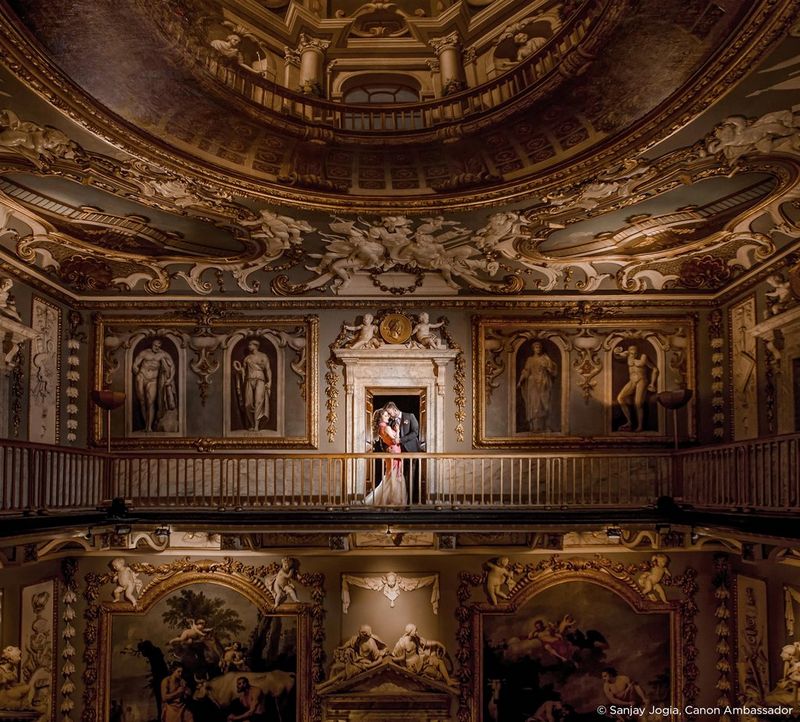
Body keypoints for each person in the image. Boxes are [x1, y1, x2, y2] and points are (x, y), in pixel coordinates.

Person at [132, 338, 177, 433]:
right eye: (155, 346)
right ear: (152, 345)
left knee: (150, 402)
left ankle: (149, 427)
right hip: (142, 377)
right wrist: (137, 372)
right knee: (142, 401)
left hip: (153, 380)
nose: (156, 348)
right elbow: (135, 364)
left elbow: (172, 366)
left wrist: (170, 379)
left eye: (158, 347)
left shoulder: (163, 354)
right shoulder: (144, 353)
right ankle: (145, 424)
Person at [364, 408, 406, 506]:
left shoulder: (380, 428)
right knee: (394, 476)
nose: (388, 417)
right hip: (394, 452)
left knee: (391, 475)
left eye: (388, 415)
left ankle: (391, 500)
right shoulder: (386, 427)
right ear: (380, 418)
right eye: (386, 415)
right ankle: (393, 500)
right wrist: (398, 430)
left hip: (392, 452)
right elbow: (395, 441)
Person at [384, 401, 422, 501]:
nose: (389, 415)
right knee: (401, 477)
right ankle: (402, 500)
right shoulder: (391, 422)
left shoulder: (410, 416)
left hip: (411, 451)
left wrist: (401, 440)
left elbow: (415, 432)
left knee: (411, 476)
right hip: (398, 454)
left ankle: (411, 501)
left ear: (395, 410)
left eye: (390, 412)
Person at [615, 345, 659, 432]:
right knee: (620, 398)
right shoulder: (627, 355)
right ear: (629, 352)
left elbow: (655, 369)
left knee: (638, 403)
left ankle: (640, 426)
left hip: (642, 380)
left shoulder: (643, 357)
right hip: (632, 381)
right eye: (631, 353)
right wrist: (617, 351)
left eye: (635, 353)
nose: (633, 355)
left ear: (637, 352)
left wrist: (652, 383)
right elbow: (616, 356)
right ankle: (629, 422)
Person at [517, 341, 557, 433]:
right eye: (536, 347)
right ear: (533, 349)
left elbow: (553, 371)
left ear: (541, 349)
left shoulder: (545, 358)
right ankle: (534, 427)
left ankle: (544, 426)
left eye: (539, 347)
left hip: (544, 383)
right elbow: (526, 371)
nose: (538, 349)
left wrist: (547, 367)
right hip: (532, 384)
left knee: (544, 405)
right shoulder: (530, 359)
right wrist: (520, 381)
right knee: (534, 404)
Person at [234, 339, 272, 431]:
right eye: (249, 345)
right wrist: (239, 370)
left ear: (255, 346)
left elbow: (268, 369)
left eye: (250, 345)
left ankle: (256, 425)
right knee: (248, 404)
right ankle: (252, 423)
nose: (249, 347)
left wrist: (270, 381)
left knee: (258, 402)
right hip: (249, 380)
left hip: (260, 380)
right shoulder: (247, 358)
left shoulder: (263, 356)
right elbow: (243, 371)